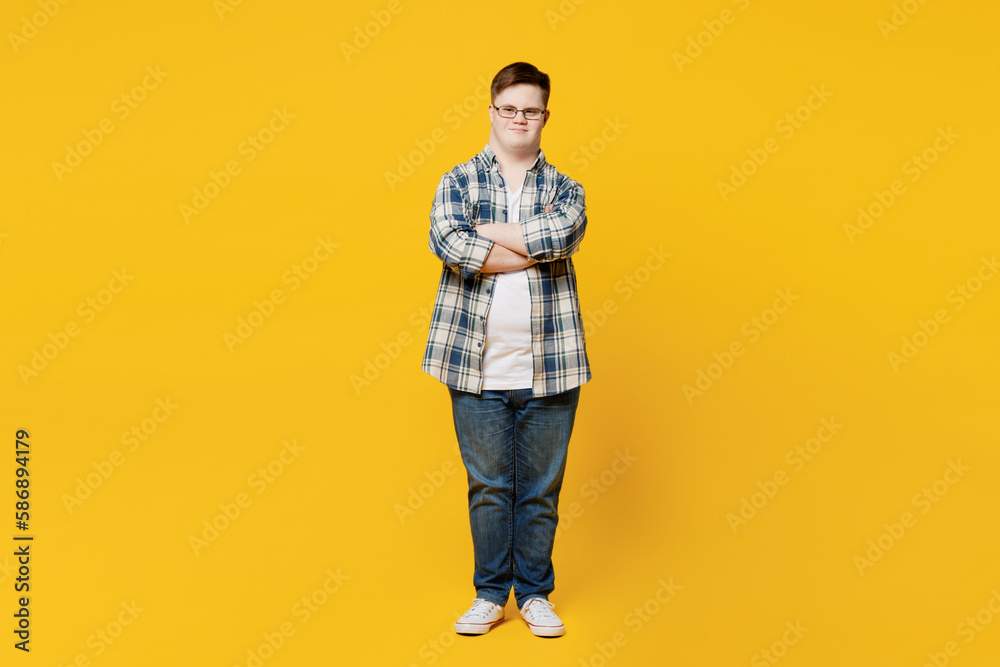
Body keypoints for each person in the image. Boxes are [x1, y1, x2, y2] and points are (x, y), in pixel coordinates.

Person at [422, 61, 590, 638]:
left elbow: (564, 233)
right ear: (492, 110)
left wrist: (485, 231)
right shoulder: (457, 180)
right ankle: (491, 594)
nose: (521, 118)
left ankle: (536, 593)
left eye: (532, 109)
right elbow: (448, 242)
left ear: (546, 115)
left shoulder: (567, 188)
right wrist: (529, 241)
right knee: (490, 489)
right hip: (473, 365)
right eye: (510, 108)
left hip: (552, 365)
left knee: (541, 491)